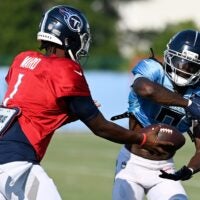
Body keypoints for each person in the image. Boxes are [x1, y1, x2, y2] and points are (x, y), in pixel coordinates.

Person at [0, 5, 175, 200]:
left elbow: (32, 110)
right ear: (70, 37)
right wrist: (142, 139)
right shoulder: (65, 69)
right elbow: (100, 127)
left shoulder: (22, 59)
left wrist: (68, 115)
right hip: (16, 160)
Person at [112, 29, 200, 200]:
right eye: (180, 61)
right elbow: (146, 89)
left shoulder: (197, 93)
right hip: (131, 164)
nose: (184, 69)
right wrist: (188, 104)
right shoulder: (154, 69)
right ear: (168, 56)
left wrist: (190, 169)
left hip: (165, 168)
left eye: (191, 66)